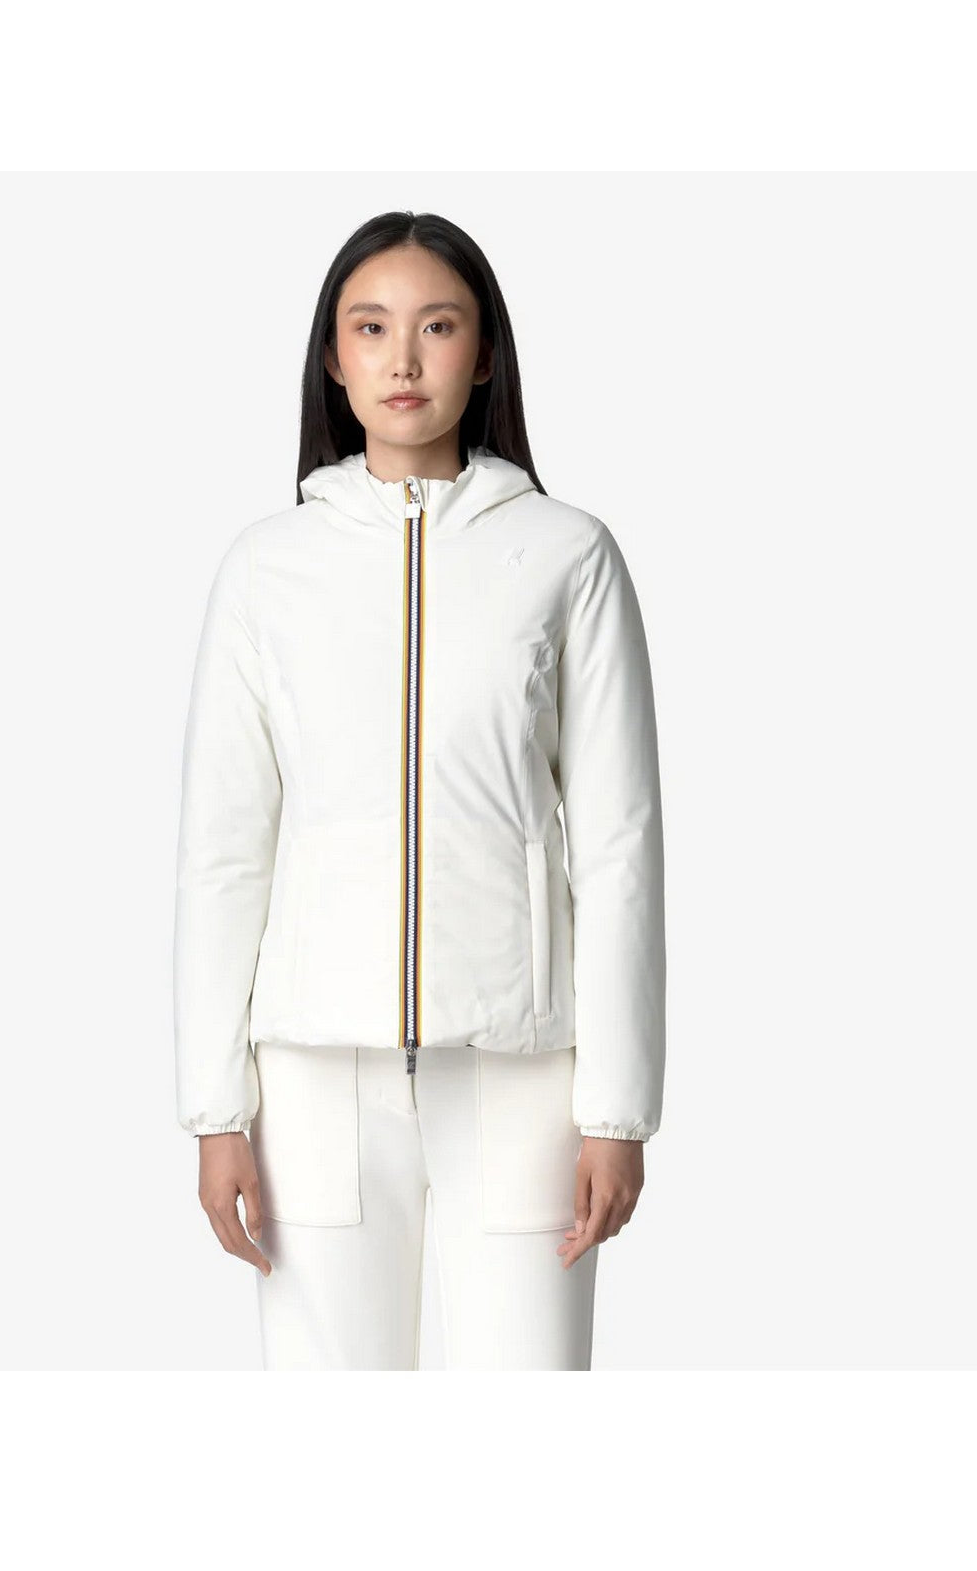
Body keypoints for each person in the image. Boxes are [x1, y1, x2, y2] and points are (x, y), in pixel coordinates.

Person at [173, 209, 666, 1370]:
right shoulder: (267, 569)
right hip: (313, 1082)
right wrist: (215, 1109)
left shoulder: (568, 555)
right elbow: (225, 850)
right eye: (371, 327)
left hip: (523, 1076)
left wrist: (616, 1109)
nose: (403, 358)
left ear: (484, 354)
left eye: (438, 327)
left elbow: (619, 845)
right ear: (333, 358)